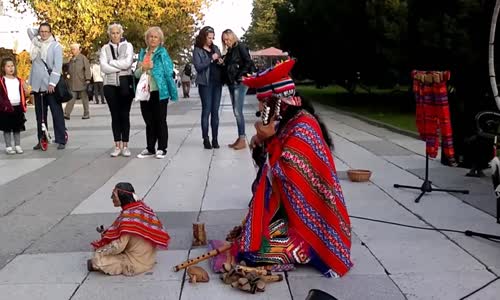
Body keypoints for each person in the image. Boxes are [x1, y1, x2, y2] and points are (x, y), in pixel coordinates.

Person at [228, 59, 353, 278]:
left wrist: (270, 141)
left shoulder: (304, 126)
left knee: (254, 253)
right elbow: (268, 178)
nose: (259, 109)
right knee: (250, 241)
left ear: (277, 103)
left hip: (314, 226)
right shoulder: (287, 122)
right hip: (289, 213)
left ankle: (309, 249)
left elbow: (289, 174)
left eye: (262, 103)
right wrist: (263, 143)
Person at [88, 182, 170, 276]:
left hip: (135, 263)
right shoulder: (140, 207)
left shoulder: (128, 218)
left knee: (97, 259)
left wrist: (100, 250)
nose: (112, 198)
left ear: (122, 197)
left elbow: (118, 246)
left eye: (114, 195)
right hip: (148, 258)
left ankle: (100, 264)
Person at [135, 26, 178, 159]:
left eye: (155, 37)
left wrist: (153, 69)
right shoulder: (143, 53)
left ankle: (162, 148)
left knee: (160, 119)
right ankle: (150, 148)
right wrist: (143, 68)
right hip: (145, 91)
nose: (152, 39)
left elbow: (168, 71)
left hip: (159, 91)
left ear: (160, 40)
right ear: (146, 39)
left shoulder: (162, 53)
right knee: (149, 120)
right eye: (150, 36)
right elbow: (136, 74)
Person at [27, 22, 67, 150]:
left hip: (50, 84)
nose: (44, 34)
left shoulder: (55, 46)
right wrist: (37, 32)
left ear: (50, 33)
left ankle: (61, 138)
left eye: (46, 31)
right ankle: (42, 138)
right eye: (41, 31)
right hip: (37, 85)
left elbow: (57, 66)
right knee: (40, 115)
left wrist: (52, 83)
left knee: (56, 113)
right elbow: (29, 30)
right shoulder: (36, 44)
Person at [99, 23, 134, 157]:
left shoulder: (128, 46)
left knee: (124, 114)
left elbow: (128, 63)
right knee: (115, 115)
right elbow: (103, 67)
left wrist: (111, 63)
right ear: (109, 34)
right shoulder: (105, 48)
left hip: (125, 82)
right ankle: (117, 145)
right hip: (110, 84)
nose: (115, 35)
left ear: (121, 33)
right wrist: (119, 66)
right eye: (112, 33)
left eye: (117, 33)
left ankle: (125, 145)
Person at [221, 29, 254, 150]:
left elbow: (248, 62)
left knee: (237, 111)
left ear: (233, 37)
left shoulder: (240, 46)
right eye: (224, 40)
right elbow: (230, 67)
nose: (226, 41)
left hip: (239, 83)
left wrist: (240, 75)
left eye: (228, 39)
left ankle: (242, 139)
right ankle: (240, 137)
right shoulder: (230, 50)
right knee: (236, 111)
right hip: (232, 83)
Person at [193, 26, 223, 150]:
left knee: (215, 111)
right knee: (207, 110)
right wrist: (211, 59)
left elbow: (219, 59)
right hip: (205, 83)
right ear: (203, 37)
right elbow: (199, 67)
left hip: (217, 82)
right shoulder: (197, 50)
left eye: (212, 37)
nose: (211, 40)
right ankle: (206, 139)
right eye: (209, 37)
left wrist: (221, 61)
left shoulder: (215, 48)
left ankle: (215, 139)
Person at [0, 57, 28, 154]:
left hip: (18, 106)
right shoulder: (2, 80)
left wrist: (26, 89)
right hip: (6, 107)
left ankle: (17, 145)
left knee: (17, 127)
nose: (11, 68)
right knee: (7, 128)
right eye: (8, 66)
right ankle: (8, 146)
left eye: (12, 66)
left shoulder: (19, 80)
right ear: (3, 68)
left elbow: (25, 92)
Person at [64, 43, 91, 120]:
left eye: (74, 49)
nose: (72, 51)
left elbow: (87, 69)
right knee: (71, 98)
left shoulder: (83, 58)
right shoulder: (71, 59)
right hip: (72, 82)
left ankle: (86, 113)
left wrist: (88, 79)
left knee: (84, 99)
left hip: (82, 82)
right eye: (72, 49)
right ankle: (67, 113)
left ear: (79, 50)